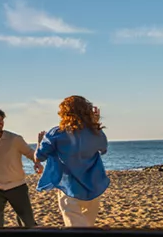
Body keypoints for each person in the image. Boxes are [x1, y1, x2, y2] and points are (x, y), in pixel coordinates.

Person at [35, 96, 109, 227]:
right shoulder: (96, 133)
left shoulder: (56, 134)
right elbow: (103, 148)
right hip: (94, 186)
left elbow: (39, 157)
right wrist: (94, 125)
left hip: (69, 188)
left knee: (76, 232)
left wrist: (39, 142)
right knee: (88, 226)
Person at [0, 107, 42, 228]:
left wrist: (37, 163)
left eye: (1, 119)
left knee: (27, 223)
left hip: (17, 186)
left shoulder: (14, 139)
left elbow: (30, 153)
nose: (0, 122)